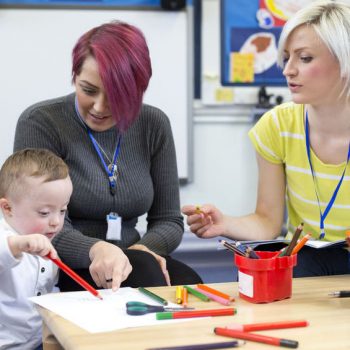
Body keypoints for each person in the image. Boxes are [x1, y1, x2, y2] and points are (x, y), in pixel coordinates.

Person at [14, 20, 202, 292]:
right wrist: (98, 249)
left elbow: (168, 220)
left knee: (190, 284)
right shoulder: (41, 122)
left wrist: (141, 250)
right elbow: (40, 224)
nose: (100, 107)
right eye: (88, 90)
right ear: (74, 77)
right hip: (65, 261)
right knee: (148, 277)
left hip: (133, 256)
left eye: (116, 95)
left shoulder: (154, 124)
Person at [182, 0, 350, 278]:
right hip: (306, 259)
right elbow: (268, 222)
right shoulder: (276, 126)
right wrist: (225, 223)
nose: (287, 70)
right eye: (287, 57)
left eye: (305, 58)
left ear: (345, 61)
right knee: (283, 273)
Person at [0, 148, 73, 350]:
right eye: (44, 213)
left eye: (62, 210)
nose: (56, 222)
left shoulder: (43, 240)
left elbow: (46, 291)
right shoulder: (7, 238)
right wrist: (18, 245)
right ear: (8, 208)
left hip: (39, 341)